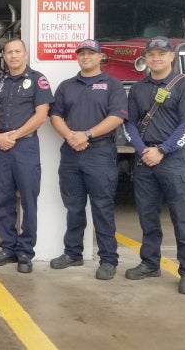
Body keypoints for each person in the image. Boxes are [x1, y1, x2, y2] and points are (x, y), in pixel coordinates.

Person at [49, 39, 127, 280]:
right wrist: (71, 136)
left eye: (91, 53)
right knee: (73, 207)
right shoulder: (66, 86)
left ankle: (108, 259)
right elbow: (55, 115)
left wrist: (87, 134)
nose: (86, 57)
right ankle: (73, 253)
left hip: (100, 153)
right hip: (71, 153)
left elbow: (117, 117)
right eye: (82, 53)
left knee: (102, 208)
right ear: (77, 57)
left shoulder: (112, 85)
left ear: (100, 57)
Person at [123, 36, 185, 295]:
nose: (156, 58)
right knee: (147, 215)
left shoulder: (184, 86)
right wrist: (143, 150)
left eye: (162, 54)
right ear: (146, 58)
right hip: (144, 159)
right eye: (151, 54)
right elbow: (129, 123)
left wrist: (162, 150)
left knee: (182, 217)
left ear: (172, 56)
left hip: (173, 159)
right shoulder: (138, 89)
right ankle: (150, 263)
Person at [0, 37, 53, 273]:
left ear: (25, 54)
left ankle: (25, 252)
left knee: (28, 200)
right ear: (4, 56)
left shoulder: (38, 80)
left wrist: (14, 136)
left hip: (24, 147)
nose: (13, 56)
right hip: (1, 147)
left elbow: (41, 115)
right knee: (3, 198)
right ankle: (7, 247)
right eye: (9, 52)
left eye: (17, 51)